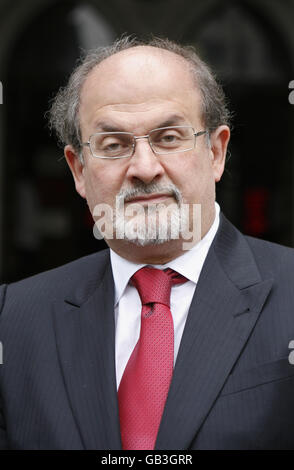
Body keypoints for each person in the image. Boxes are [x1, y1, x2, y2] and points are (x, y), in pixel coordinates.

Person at [1, 36, 294, 451]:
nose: (143, 167)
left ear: (216, 151)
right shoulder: (13, 319)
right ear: (79, 170)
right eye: (114, 145)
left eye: (169, 137)